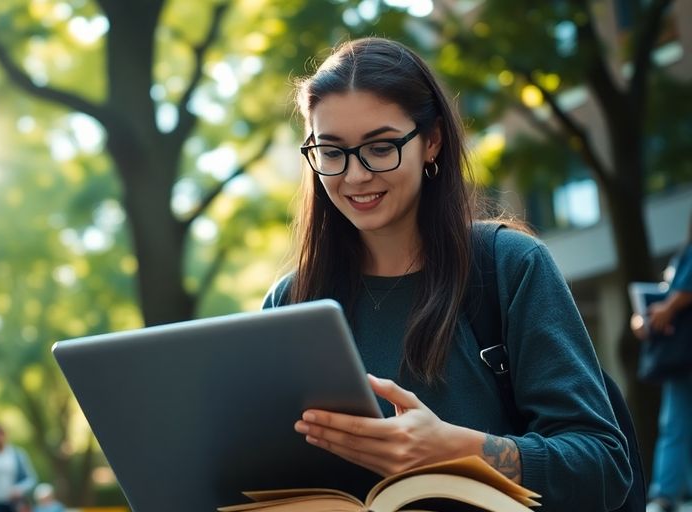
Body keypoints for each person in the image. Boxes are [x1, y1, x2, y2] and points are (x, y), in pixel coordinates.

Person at [263, 37, 632, 510]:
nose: (354, 176)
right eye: (331, 152)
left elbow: (603, 466)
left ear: (431, 141)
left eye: (380, 147)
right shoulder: (291, 302)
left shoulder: (508, 267)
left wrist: (457, 449)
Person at [636, 216, 692, 512]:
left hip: (684, 353)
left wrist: (666, 308)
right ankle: (670, 492)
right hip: (683, 355)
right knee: (678, 422)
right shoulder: (683, 254)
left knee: (676, 423)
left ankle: (666, 493)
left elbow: (681, 293)